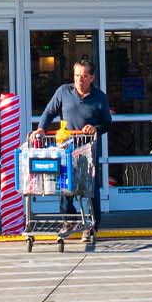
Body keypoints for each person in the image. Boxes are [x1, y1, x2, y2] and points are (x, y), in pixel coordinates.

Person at [38, 58, 112, 220]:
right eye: (77, 75)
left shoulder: (99, 97)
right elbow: (49, 112)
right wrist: (41, 128)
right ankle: (68, 219)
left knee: (90, 188)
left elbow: (107, 123)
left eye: (84, 76)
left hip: (89, 150)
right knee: (66, 187)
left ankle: (92, 224)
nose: (80, 79)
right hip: (66, 148)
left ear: (92, 78)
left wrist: (95, 129)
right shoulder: (63, 92)